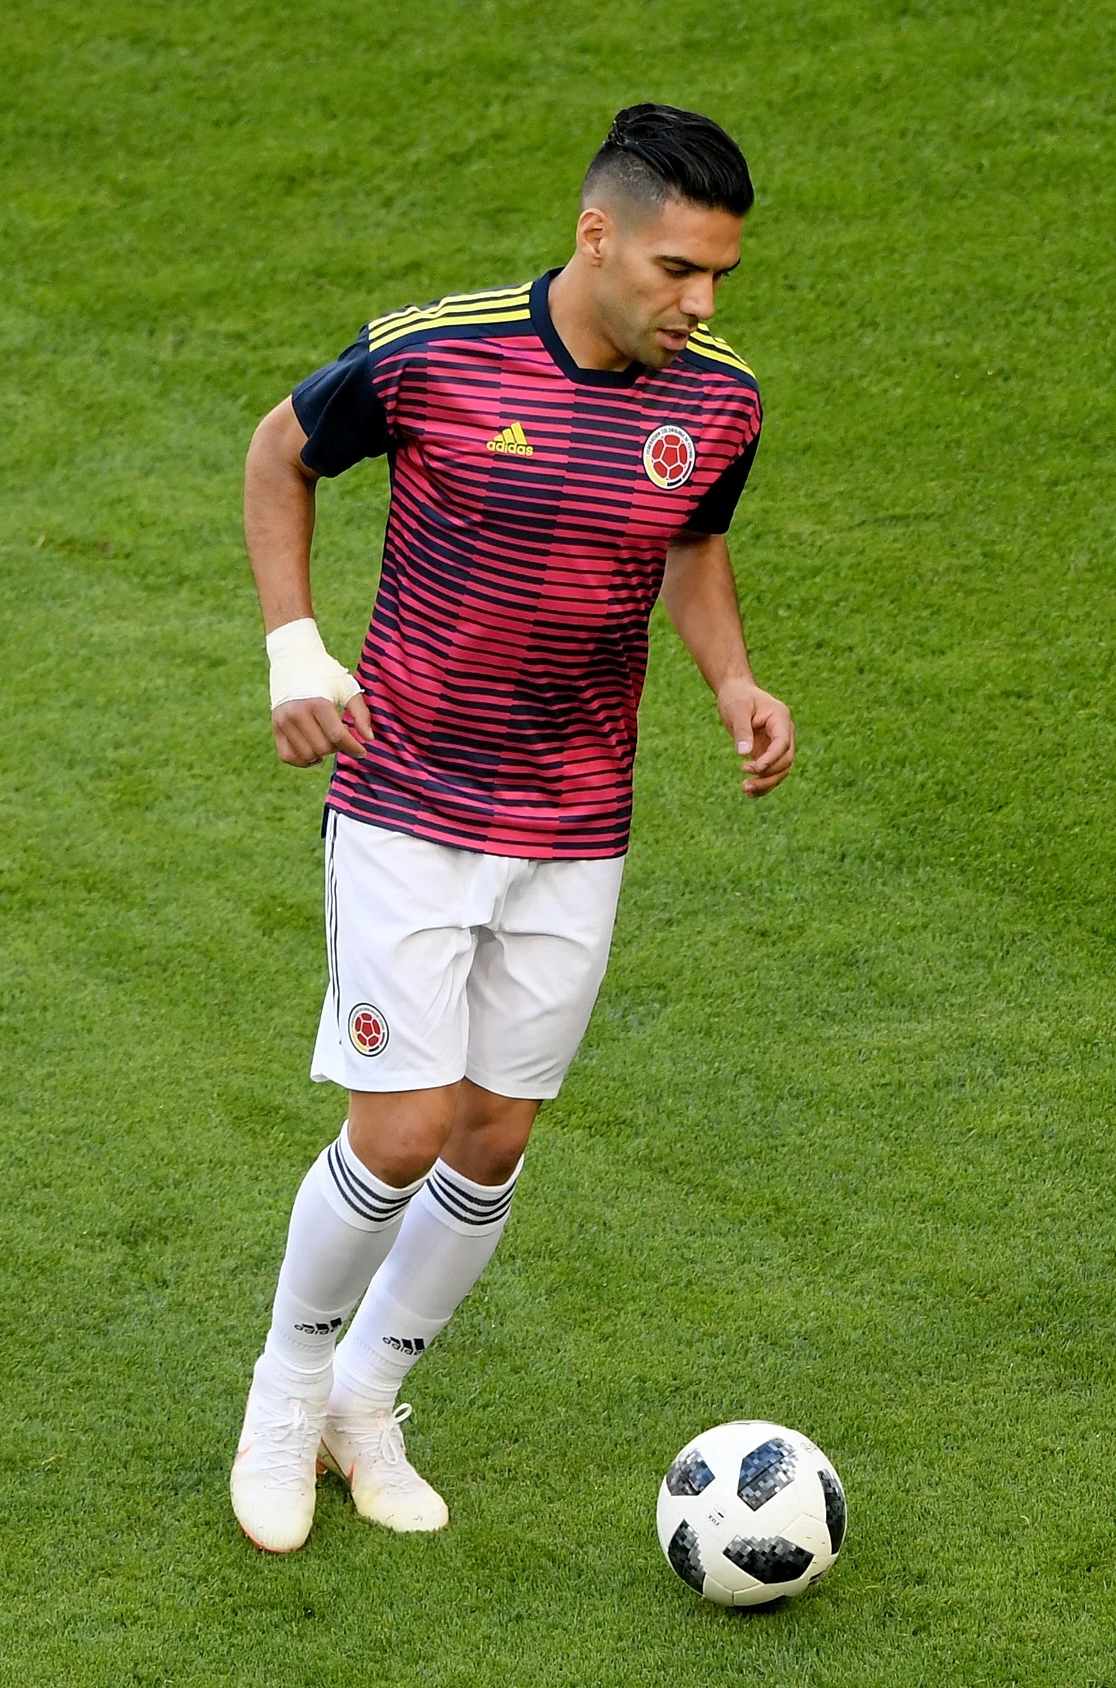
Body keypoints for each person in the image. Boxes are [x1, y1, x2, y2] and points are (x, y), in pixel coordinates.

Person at [229, 103, 794, 1554]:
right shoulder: (434, 350)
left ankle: (371, 1395)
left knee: (492, 1136)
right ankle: (287, 1389)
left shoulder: (716, 399)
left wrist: (731, 679)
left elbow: (694, 542)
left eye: (721, 273)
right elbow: (279, 451)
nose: (704, 301)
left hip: (577, 817)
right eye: (679, 268)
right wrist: (296, 648)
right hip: (408, 794)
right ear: (596, 235)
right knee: (405, 1125)